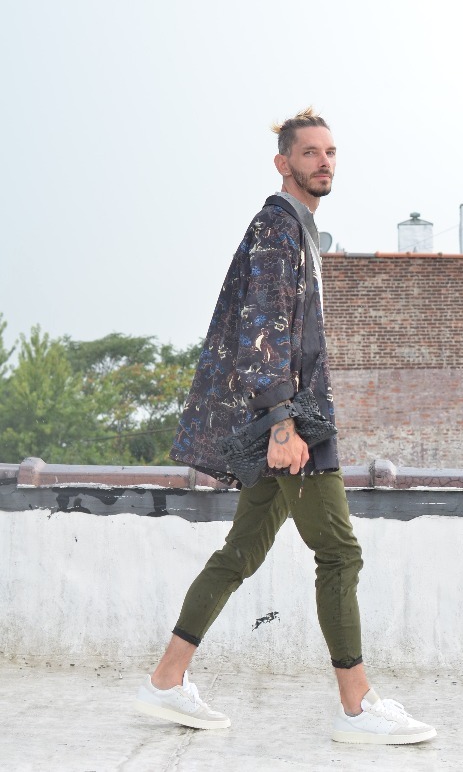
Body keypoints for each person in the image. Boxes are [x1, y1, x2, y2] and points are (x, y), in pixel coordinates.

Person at [134, 108, 435, 745]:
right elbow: (262, 327)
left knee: (240, 554)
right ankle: (357, 708)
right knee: (340, 554)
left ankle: (166, 679)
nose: (324, 162)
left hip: (291, 420)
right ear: (283, 163)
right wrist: (280, 425)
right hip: (293, 426)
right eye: (309, 153)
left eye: (331, 152)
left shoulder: (298, 229)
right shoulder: (277, 225)